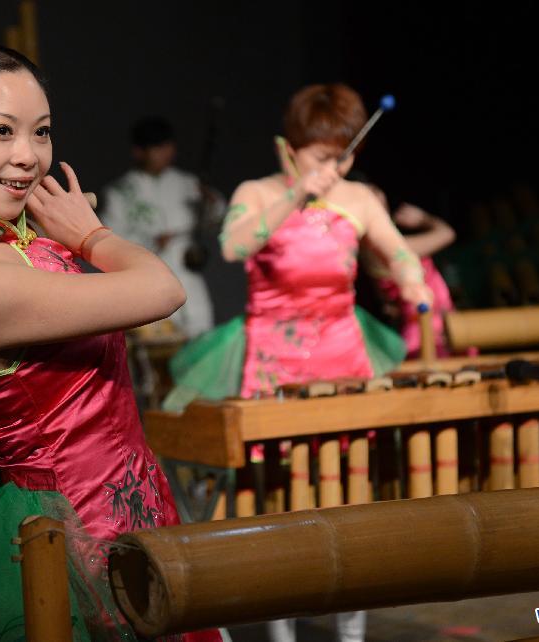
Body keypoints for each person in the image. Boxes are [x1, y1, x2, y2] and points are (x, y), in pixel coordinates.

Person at [0, 44, 221, 641]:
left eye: (42, 132)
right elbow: (162, 289)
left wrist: (5, 425)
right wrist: (92, 234)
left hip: (134, 502)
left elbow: (36, 378)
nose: (27, 157)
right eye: (1, 131)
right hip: (80, 539)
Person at [163, 83, 431, 642]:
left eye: (342, 155)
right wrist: (297, 195)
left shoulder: (360, 199)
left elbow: (398, 252)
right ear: (289, 148)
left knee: (349, 490)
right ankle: (281, 628)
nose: (334, 166)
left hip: (343, 356)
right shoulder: (257, 191)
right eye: (320, 155)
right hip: (272, 360)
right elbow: (234, 247)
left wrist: (411, 279)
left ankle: (350, 628)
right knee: (277, 492)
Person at [101, 116, 222, 339]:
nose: (166, 153)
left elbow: (215, 218)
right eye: (157, 147)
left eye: (168, 146)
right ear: (139, 151)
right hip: (148, 277)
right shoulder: (120, 192)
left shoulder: (187, 183)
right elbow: (109, 239)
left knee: (202, 336)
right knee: (160, 347)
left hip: (188, 274)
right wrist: (151, 241)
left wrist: (211, 203)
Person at [356, 182, 456, 358]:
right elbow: (447, 234)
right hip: (428, 330)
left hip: (428, 325)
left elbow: (385, 300)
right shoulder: (395, 250)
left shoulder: (366, 253)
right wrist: (424, 219)